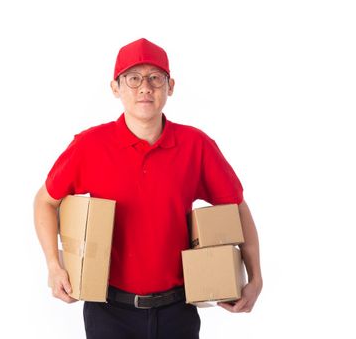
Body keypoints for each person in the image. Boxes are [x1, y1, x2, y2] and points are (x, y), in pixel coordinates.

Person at [34, 38, 262, 339]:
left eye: (156, 78)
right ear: (115, 88)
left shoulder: (197, 146)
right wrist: (54, 265)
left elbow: (237, 206)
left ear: (171, 86)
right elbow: (45, 202)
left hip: (177, 310)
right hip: (109, 311)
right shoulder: (89, 146)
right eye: (133, 78)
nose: (145, 87)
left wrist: (255, 277)